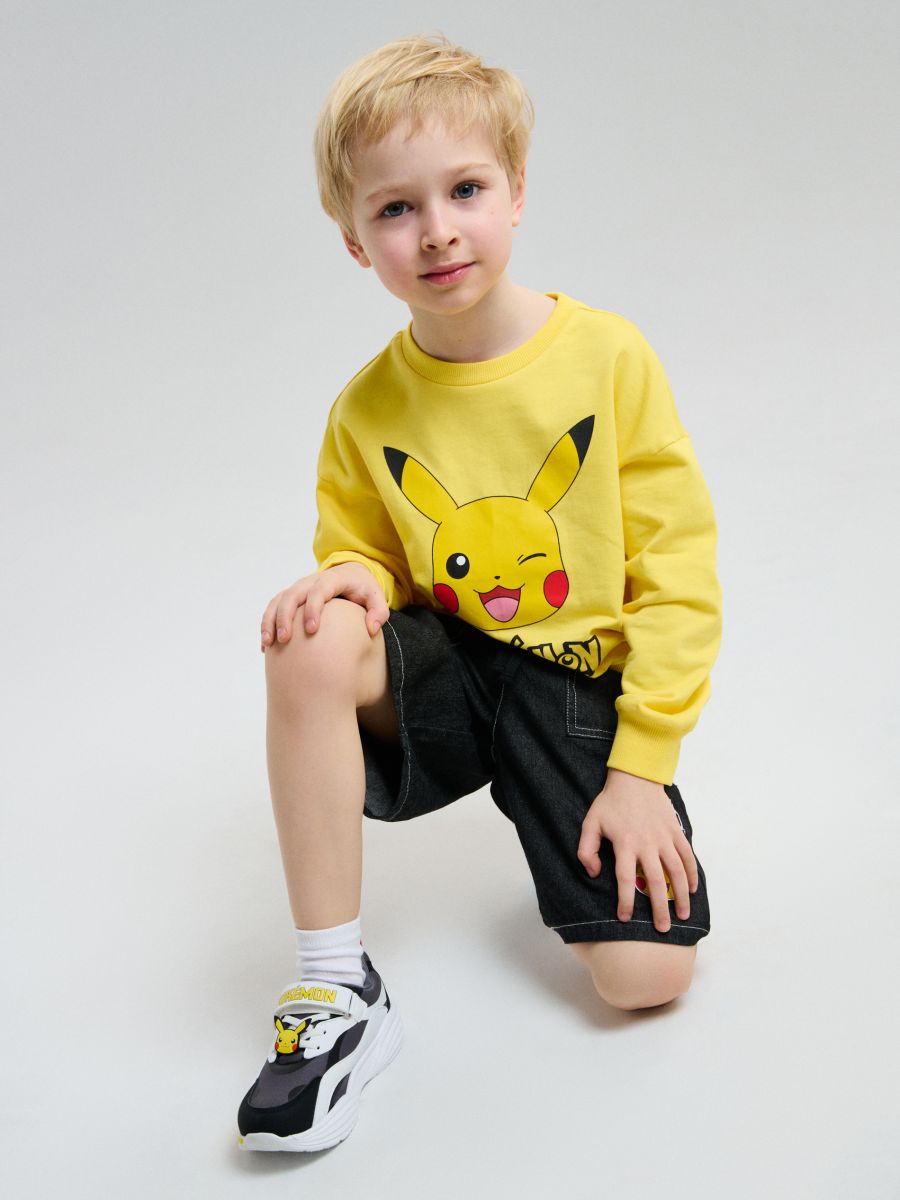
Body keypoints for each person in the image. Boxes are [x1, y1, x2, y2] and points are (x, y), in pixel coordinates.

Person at [237, 33, 723, 1153]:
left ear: (516, 193)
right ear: (355, 241)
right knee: (310, 635)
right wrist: (349, 575)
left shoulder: (607, 358)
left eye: (465, 190)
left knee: (645, 981)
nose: (438, 230)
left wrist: (642, 766)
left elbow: (680, 571)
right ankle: (334, 987)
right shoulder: (367, 408)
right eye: (395, 208)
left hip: (573, 686)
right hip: (452, 666)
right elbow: (364, 551)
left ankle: (566, 808)